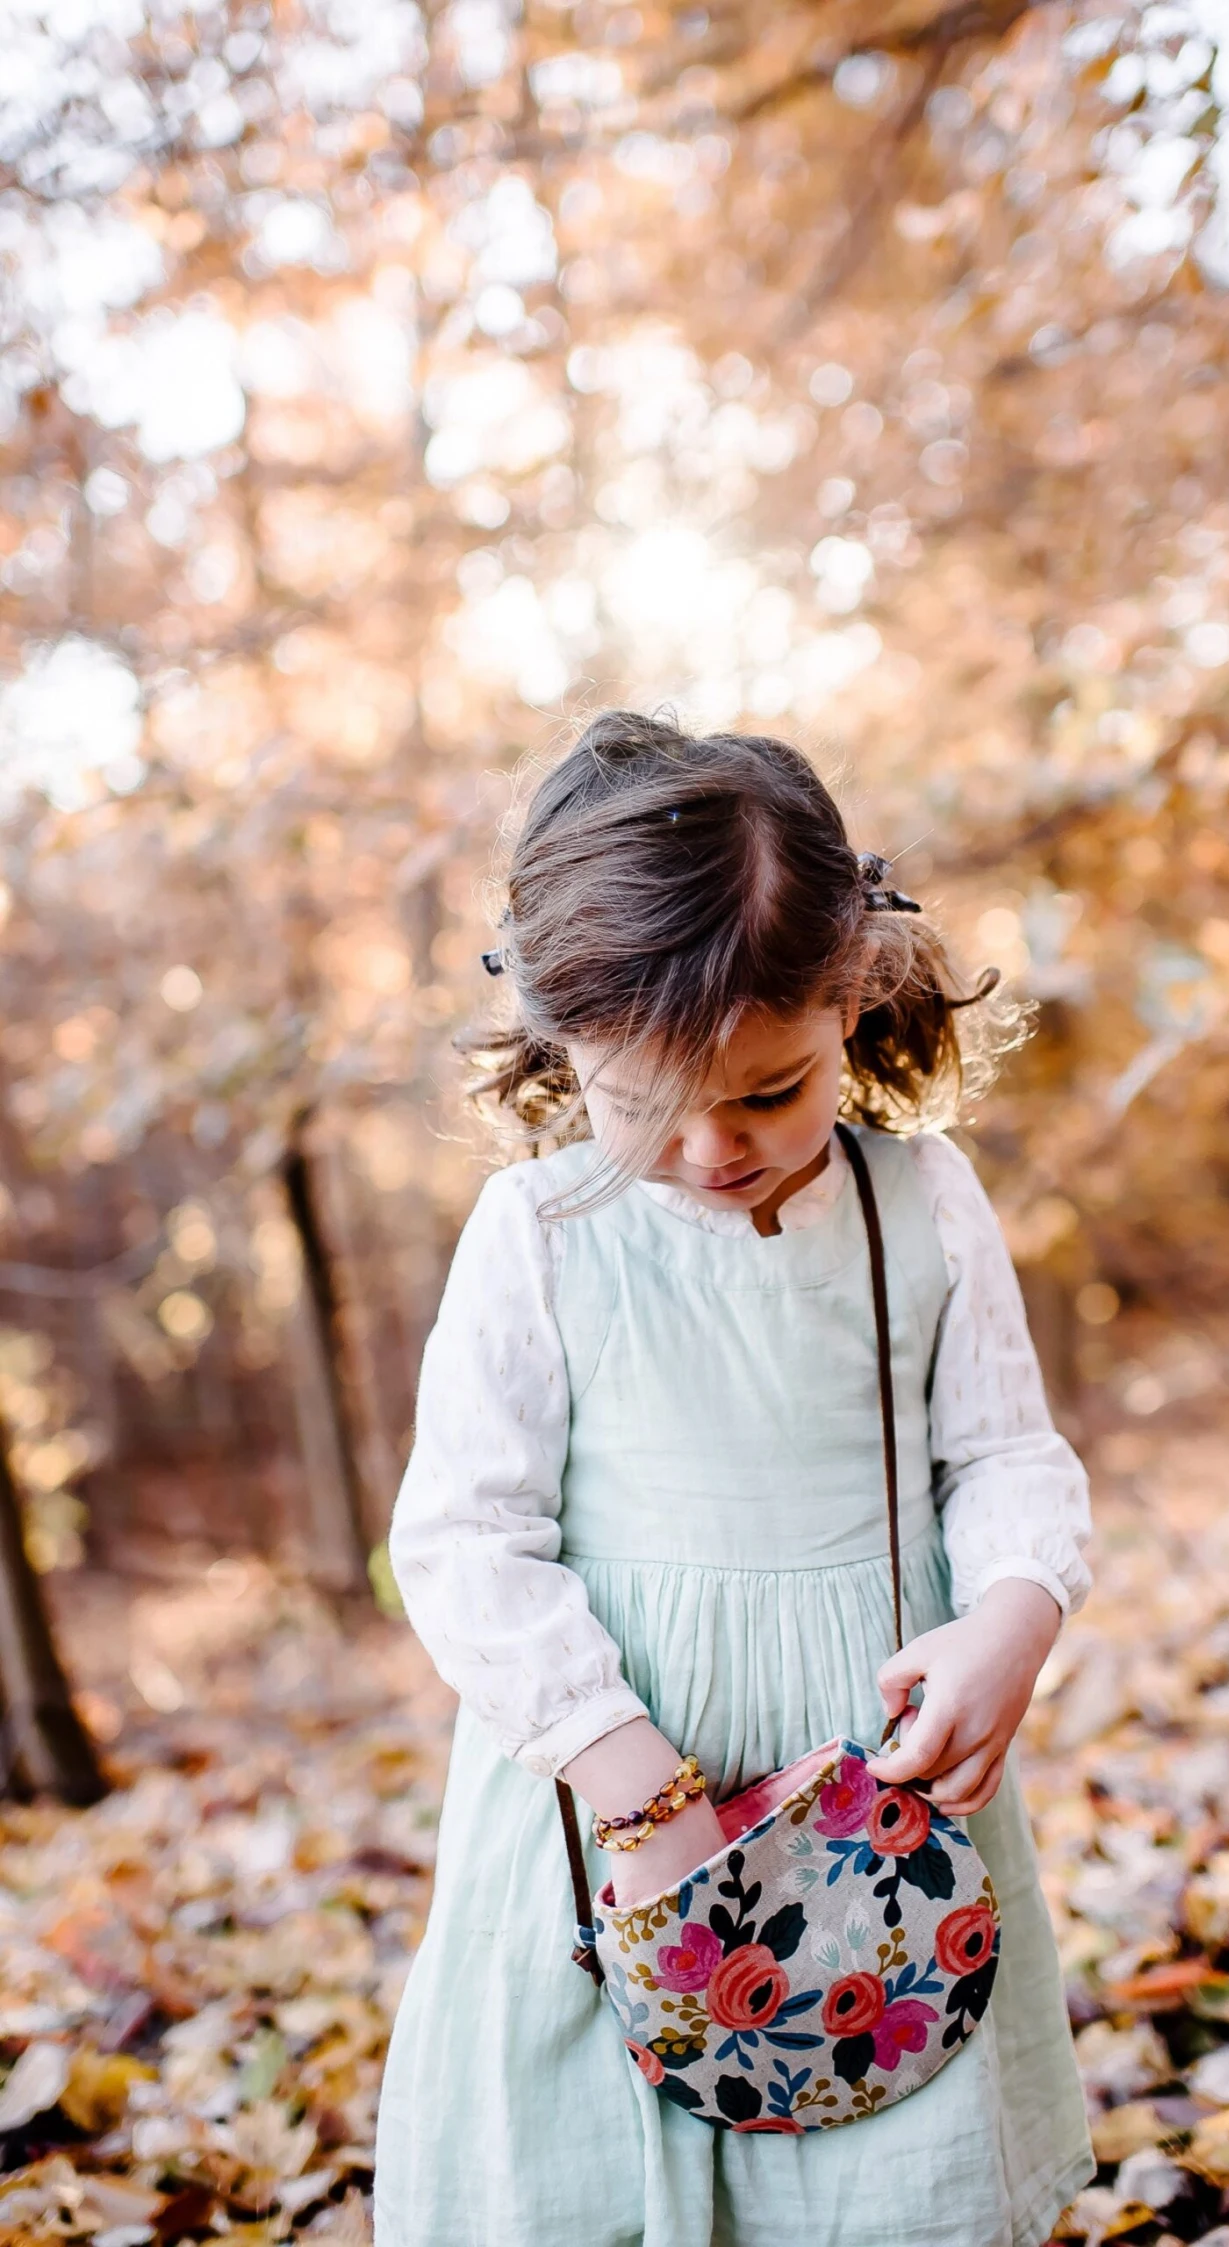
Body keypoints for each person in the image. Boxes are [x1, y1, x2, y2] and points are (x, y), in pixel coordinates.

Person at [374, 711, 1094, 2247]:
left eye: (770, 1090)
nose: (712, 1144)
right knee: (604, 2179)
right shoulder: (547, 1234)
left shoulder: (922, 1207)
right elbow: (463, 1539)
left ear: (849, 997)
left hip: (869, 1813)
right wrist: (627, 1777)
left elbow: (1007, 1452)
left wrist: (1013, 1614)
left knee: (884, 2190)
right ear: (565, 1046)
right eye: (646, 1101)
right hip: (615, 1802)